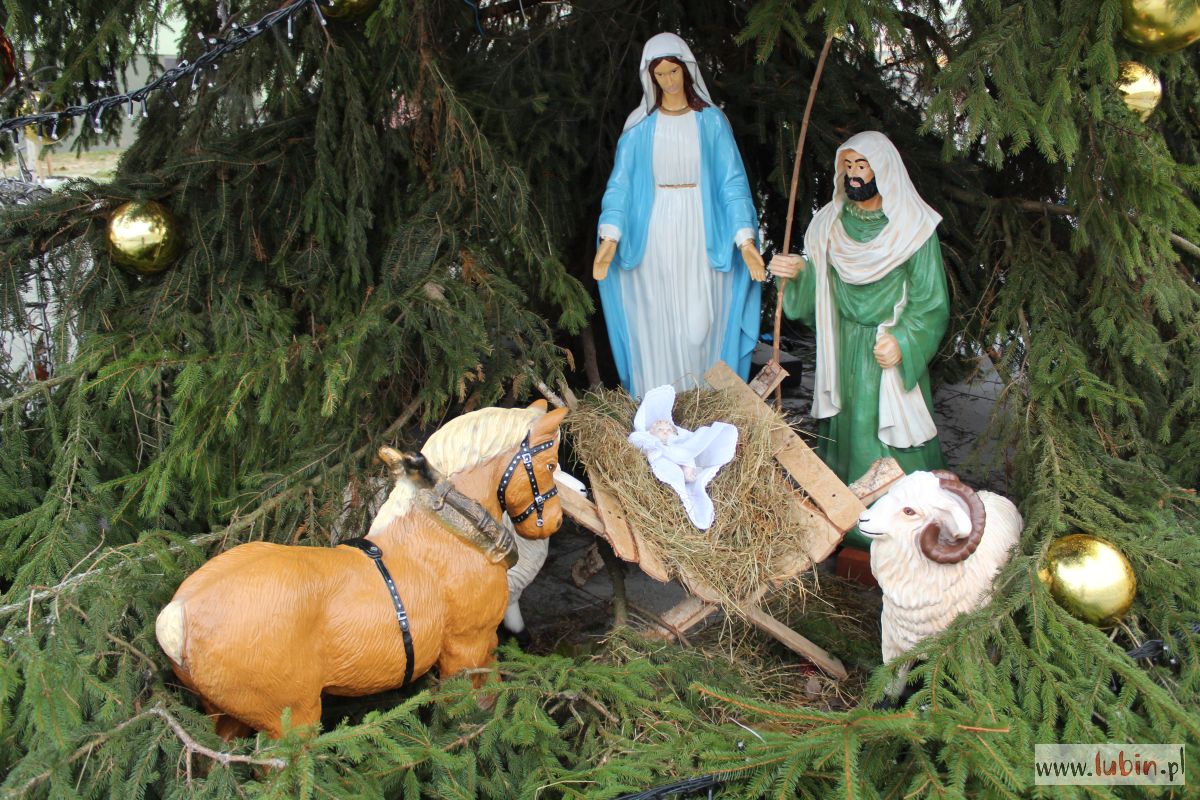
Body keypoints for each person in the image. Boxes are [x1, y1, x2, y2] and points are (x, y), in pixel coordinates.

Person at [768, 131, 949, 495]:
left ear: (882, 169)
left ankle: (893, 512)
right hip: (843, 343)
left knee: (879, 429)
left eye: (861, 166)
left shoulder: (912, 228)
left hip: (884, 347)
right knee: (845, 427)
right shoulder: (830, 224)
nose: (853, 174)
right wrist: (799, 273)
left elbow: (931, 301)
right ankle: (840, 504)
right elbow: (822, 286)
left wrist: (903, 341)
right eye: (847, 165)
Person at [594, 32, 764, 399]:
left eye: (674, 72)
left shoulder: (712, 123)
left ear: (687, 71)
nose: (669, 81)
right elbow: (620, 186)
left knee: (698, 327)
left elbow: (732, 184)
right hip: (652, 236)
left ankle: (703, 407)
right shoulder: (639, 128)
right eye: (661, 75)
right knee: (656, 328)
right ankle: (659, 415)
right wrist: (609, 238)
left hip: (703, 234)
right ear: (650, 79)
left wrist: (745, 241)